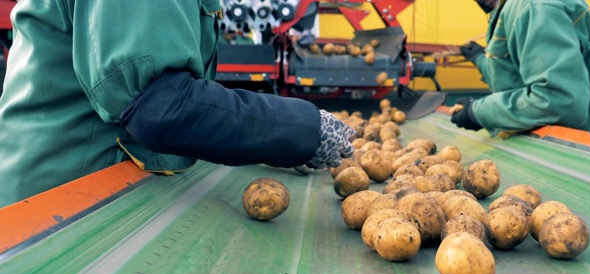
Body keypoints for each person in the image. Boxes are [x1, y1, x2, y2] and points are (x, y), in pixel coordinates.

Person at [0, 2, 355, 208]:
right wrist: (302, 130)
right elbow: (161, 106)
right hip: (63, 203)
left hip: (93, 182)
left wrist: (272, 141)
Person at [452, 0, 590, 139]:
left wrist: (478, 112)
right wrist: (480, 60)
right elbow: (512, 78)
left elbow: (558, 101)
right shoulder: (509, 8)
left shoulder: (536, 7)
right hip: (555, 145)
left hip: (585, 153)